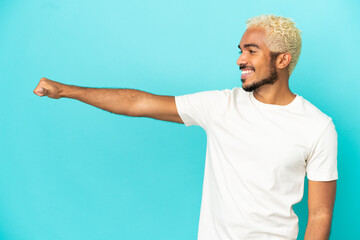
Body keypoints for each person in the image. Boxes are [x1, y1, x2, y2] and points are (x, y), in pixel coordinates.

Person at [33, 14, 337, 240]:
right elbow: (138, 103)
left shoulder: (317, 127)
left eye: (252, 50)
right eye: (240, 49)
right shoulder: (221, 105)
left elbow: (320, 214)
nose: (239, 59)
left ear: (282, 59)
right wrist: (66, 91)